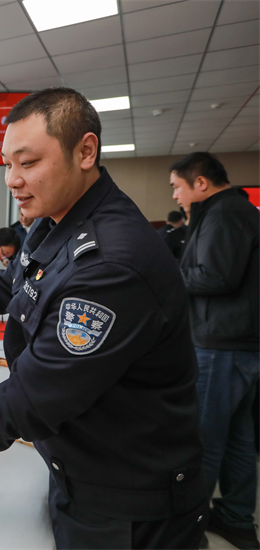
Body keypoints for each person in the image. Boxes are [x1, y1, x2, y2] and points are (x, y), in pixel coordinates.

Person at [0, 88, 207, 550]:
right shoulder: (55, 220)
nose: (12, 180)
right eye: (6, 164)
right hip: (79, 462)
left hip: (126, 496)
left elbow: (36, 397)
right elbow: (11, 284)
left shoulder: (111, 263)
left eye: (28, 162)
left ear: (86, 152)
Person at [170, 152, 260, 550]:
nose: (175, 196)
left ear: (201, 183)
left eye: (177, 187)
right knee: (239, 438)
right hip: (238, 343)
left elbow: (216, 276)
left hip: (222, 345)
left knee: (203, 437)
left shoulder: (224, 214)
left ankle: (186, 528)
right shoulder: (235, 210)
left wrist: (168, 275)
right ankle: (237, 518)